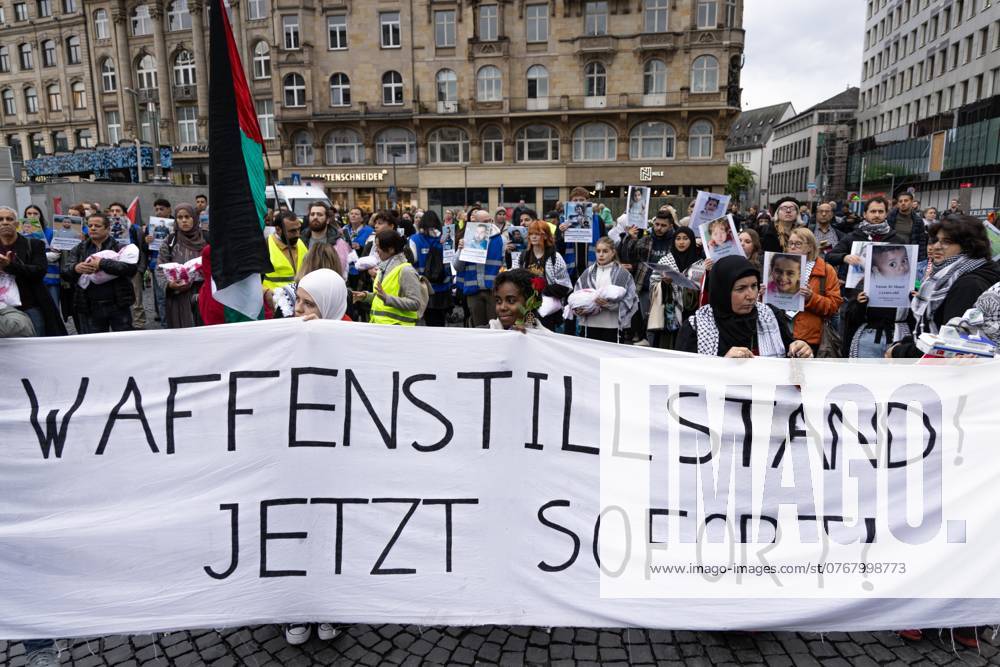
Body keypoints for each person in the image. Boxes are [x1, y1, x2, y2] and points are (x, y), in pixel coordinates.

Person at [888, 215, 1000, 358]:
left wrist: (900, 352)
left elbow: (952, 344)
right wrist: (903, 343)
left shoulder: (969, 284)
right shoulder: (946, 276)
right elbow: (932, 329)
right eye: (936, 240)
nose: (936, 246)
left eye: (946, 242)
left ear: (968, 245)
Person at [676, 255, 814, 358]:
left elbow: (790, 355)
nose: (751, 295)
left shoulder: (771, 316)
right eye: (741, 288)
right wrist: (722, 364)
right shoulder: (696, 327)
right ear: (722, 292)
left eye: (754, 286)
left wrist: (801, 350)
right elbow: (686, 376)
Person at [62, 212, 137, 333]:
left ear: (107, 229)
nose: (92, 228)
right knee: (95, 346)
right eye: (90, 225)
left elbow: (130, 269)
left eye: (97, 226)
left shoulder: (120, 247)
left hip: (118, 304)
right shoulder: (79, 249)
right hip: (90, 305)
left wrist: (102, 263)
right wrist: (76, 268)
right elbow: (65, 272)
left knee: (123, 343)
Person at [0, 205, 66, 336]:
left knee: (37, 344)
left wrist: (9, 266)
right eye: (1, 219)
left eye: (9, 219)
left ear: (17, 224)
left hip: (29, 305)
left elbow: (39, 271)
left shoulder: (34, 244)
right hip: (2, 307)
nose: (5, 222)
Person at [618, 210, 676, 344]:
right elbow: (628, 255)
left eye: (663, 225)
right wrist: (630, 238)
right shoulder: (647, 238)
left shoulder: (674, 241)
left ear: (670, 226)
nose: (659, 228)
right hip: (644, 287)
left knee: (660, 321)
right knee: (646, 319)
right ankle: (648, 345)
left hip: (665, 288)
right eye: (657, 224)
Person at [352, 228, 426, 326]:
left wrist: (387, 298)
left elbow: (415, 303)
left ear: (391, 249)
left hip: (398, 331)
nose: (376, 251)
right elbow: (381, 297)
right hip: (382, 328)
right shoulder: (383, 267)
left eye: (378, 247)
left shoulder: (406, 271)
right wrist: (366, 296)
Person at [786, 228, 843, 353]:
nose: (793, 247)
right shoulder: (778, 267)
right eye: (790, 243)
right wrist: (764, 295)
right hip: (782, 334)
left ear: (810, 247)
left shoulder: (826, 270)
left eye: (798, 244)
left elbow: (833, 306)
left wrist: (811, 297)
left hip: (810, 338)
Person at [571, 237, 638, 343]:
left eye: (605, 251)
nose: (601, 254)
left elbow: (631, 300)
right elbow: (577, 296)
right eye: (598, 251)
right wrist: (578, 309)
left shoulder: (623, 274)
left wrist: (609, 305)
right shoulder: (587, 273)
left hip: (613, 326)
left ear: (613, 253)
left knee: (609, 359)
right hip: (590, 325)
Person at [648, 227, 705, 349]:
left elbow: (704, 289)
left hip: (690, 314)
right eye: (678, 238)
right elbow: (653, 285)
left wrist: (690, 288)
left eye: (685, 238)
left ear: (692, 241)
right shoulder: (665, 260)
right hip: (668, 314)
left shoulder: (701, 264)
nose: (681, 242)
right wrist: (664, 283)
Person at [156, 202, 207, 329]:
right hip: (178, 294)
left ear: (194, 218)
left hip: (204, 293)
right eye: (180, 217)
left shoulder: (207, 238)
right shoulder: (170, 241)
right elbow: (160, 268)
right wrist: (169, 285)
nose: (184, 221)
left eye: (187, 217)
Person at [452, 209, 504, 327]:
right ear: (475, 224)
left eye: (489, 220)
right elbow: (457, 266)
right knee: (477, 328)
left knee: (495, 327)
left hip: (493, 291)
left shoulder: (500, 239)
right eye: (484, 222)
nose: (488, 224)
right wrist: (461, 250)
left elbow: (505, 265)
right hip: (473, 291)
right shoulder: (467, 239)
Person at [518, 219, 572, 330]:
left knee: (546, 341)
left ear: (546, 236)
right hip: (527, 308)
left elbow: (566, 286)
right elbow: (515, 279)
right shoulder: (523, 256)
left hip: (548, 310)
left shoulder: (555, 257)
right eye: (531, 234)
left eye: (537, 234)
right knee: (528, 338)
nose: (533, 237)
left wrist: (543, 289)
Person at [826, 197, 905, 272]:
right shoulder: (852, 237)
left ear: (886, 214)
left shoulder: (897, 240)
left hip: (887, 285)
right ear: (864, 214)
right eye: (873, 211)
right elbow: (830, 256)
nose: (877, 215)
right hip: (858, 285)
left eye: (880, 211)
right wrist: (844, 257)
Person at [107, 201, 149, 330]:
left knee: (136, 297)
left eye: (118, 211)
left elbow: (142, 248)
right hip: (114, 266)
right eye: (112, 211)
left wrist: (141, 267)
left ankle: (139, 323)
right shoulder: (106, 228)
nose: (114, 213)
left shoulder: (134, 228)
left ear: (124, 214)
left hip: (132, 266)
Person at [408, 210, 452, 327]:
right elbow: (450, 260)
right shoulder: (446, 237)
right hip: (443, 286)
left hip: (425, 287)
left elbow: (412, 260)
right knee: (441, 321)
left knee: (429, 320)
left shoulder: (415, 239)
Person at [263, 211, 307, 308]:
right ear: (278, 230)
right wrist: (265, 291)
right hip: (274, 303)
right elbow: (255, 280)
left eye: (298, 229)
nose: (297, 234)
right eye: (292, 231)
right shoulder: (265, 246)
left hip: (299, 301)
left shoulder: (300, 243)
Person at [488, 268, 549, 333]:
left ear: (531, 302)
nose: (502, 307)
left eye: (511, 301)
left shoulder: (548, 340)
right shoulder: (482, 335)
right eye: (498, 301)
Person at [303, 201, 350, 277]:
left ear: (327, 220)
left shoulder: (339, 244)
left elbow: (340, 272)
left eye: (319, 214)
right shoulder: (300, 241)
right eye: (312, 214)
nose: (315, 217)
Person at [146, 198, 173, 323]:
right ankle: (165, 322)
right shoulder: (151, 227)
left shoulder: (175, 224)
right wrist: (147, 241)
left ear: (169, 210)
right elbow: (145, 249)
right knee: (161, 295)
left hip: (173, 263)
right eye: (156, 209)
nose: (158, 212)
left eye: (161, 209)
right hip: (156, 264)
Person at [887, 192, 927, 260]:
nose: (903, 203)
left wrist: (921, 259)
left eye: (906, 200)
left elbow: (921, 241)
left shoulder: (918, 221)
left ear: (911, 202)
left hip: (909, 255)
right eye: (900, 201)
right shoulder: (889, 217)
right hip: (890, 253)